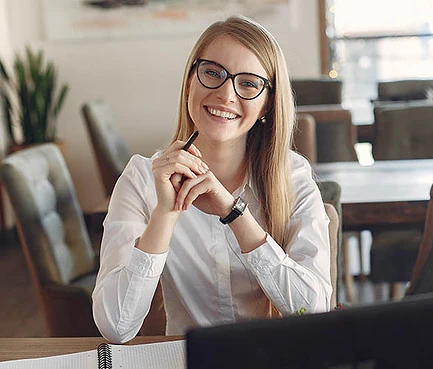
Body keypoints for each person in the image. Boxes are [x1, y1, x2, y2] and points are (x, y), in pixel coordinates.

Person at [92, 16, 332, 343]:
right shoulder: (142, 178)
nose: (225, 94)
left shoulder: (293, 177)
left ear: (267, 105)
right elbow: (116, 328)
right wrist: (166, 211)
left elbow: (314, 314)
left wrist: (234, 213)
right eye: (212, 73)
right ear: (190, 80)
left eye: (248, 83)